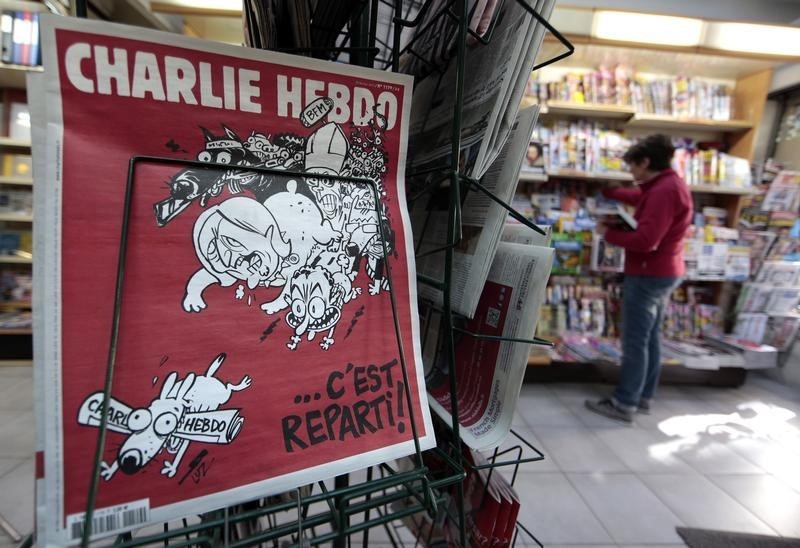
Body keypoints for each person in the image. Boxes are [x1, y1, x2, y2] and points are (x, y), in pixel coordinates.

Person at [586, 134, 694, 423]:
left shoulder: (663, 191)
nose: (631, 173)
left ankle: (625, 403)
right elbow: (639, 197)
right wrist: (611, 193)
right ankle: (644, 396)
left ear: (646, 162)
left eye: (633, 166)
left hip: (648, 273)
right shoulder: (666, 184)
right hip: (663, 272)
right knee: (649, 338)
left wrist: (606, 233)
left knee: (635, 340)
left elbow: (646, 240)